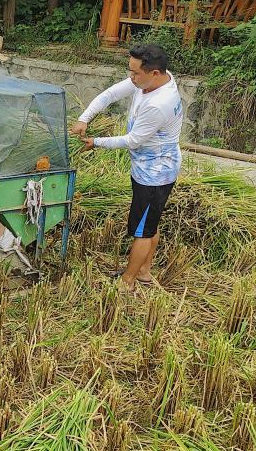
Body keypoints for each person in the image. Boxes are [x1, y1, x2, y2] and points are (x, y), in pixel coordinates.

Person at [69, 42, 183, 292]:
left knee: (143, 229)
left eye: (135, 73)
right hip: (148, 167)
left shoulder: (158, 104)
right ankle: (143, 271)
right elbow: (110, 94)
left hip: (155, 173)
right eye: (129, 71)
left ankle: (127, 281)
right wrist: (84, 118)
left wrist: (96, 142)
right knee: (150, 222)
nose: (131, 78)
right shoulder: (158, 79)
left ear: (154, 73)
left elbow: (133, 140)